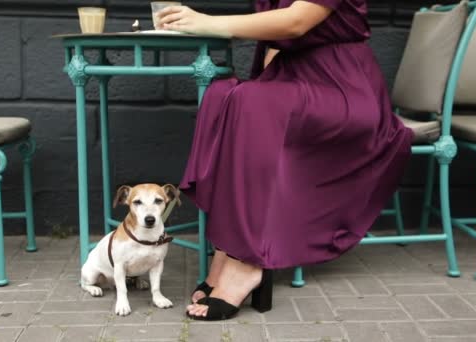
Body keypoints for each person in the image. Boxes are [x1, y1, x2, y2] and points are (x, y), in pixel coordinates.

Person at [157, 0, 414, 321]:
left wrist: (205, 22)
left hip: (343, 86)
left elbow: (295, 23)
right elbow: (275, 42)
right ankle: (228, 248)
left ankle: (247, 264)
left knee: (253, 104)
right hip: (295, 77)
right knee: (224, 96)